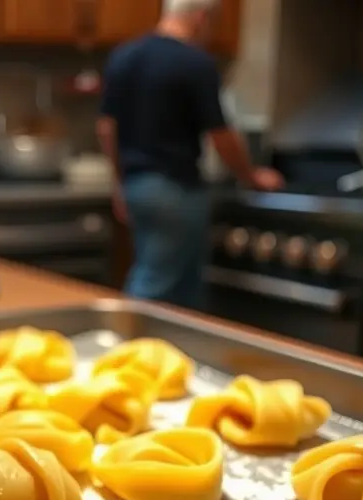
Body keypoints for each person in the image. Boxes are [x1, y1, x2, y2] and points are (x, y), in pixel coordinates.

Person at [96, 0, 284, 310]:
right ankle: (127, 350)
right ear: (201, 18)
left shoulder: (125, 56)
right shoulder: (196, 63)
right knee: (162, 285)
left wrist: (119, 183)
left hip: (137, 186)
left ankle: (170, 355)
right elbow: (221, 135)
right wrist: (251, 176)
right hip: (176, 191)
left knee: (165, 281)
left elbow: (106, 128)